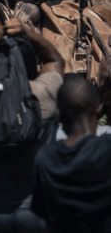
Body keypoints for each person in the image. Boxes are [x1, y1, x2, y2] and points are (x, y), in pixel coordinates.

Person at [0, 18, 64, 232]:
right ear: (33, 67)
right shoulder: (41, 95)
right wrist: (27, 31)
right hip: (34, 215)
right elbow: (55, 60)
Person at [31, 74, 111, 233]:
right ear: (98, 110)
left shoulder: (45, 158)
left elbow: (40, 212)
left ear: (59, 117)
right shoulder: (107, 149)